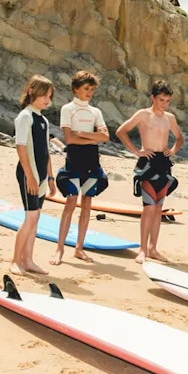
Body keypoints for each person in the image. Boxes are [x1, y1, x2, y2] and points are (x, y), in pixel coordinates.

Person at [116, 80, 184, 264]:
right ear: (153, 97)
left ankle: (153, 248)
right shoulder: (143, 115)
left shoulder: (170, 118)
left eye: (167, 100)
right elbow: (121, 131)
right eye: (161, 99)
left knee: (159, 208)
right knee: (149, 208)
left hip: (164, 162)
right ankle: (143, 249)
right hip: (147, 162)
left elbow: (180, 138)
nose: (165, 103)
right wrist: (137, 151)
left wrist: (174, 150)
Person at [49, 71, 108, 266]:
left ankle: (79, 248)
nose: (89, 92)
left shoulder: (96, 112)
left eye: (92, 89)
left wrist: (82, 133)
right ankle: (59, 249)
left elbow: (105, 137)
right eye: (86, 89)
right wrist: (93, 135)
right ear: (76, 89)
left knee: (87, 204)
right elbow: (69, 139)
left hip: (92, 162)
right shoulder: (68, 109)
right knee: (71, 202)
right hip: (74, 160)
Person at [9, 75, 55, 274]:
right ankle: (15, 260)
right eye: (44, 95)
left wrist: (50, 177)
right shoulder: (25, 116)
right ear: (31, 92)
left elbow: (45, 150)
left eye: (50, 96)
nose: (47, 100)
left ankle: (28, 260)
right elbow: (21, 148)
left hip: (42, 175)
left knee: (35, 219)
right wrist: (30, 176)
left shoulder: (42, 119)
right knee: (30, 217)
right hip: (29, 174)